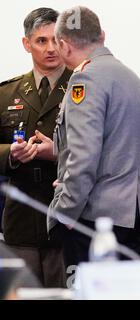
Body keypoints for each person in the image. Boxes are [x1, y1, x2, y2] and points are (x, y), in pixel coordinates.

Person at [48, 6, 140, 268]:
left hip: (97, 219)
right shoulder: (130, 77)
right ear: (101, 36)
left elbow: (83, 157)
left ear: (63, 44)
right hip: (133, 215)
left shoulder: (85, 79)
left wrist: (64, 212)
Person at [0, 7, 71, 287]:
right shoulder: (7, 93)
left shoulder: (83, 87)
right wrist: (11, 155)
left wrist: (60, 151)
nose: (51, 48)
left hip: (66, 218)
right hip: (21, 220)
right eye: (42, 41)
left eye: (57, 39)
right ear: (26, 44)